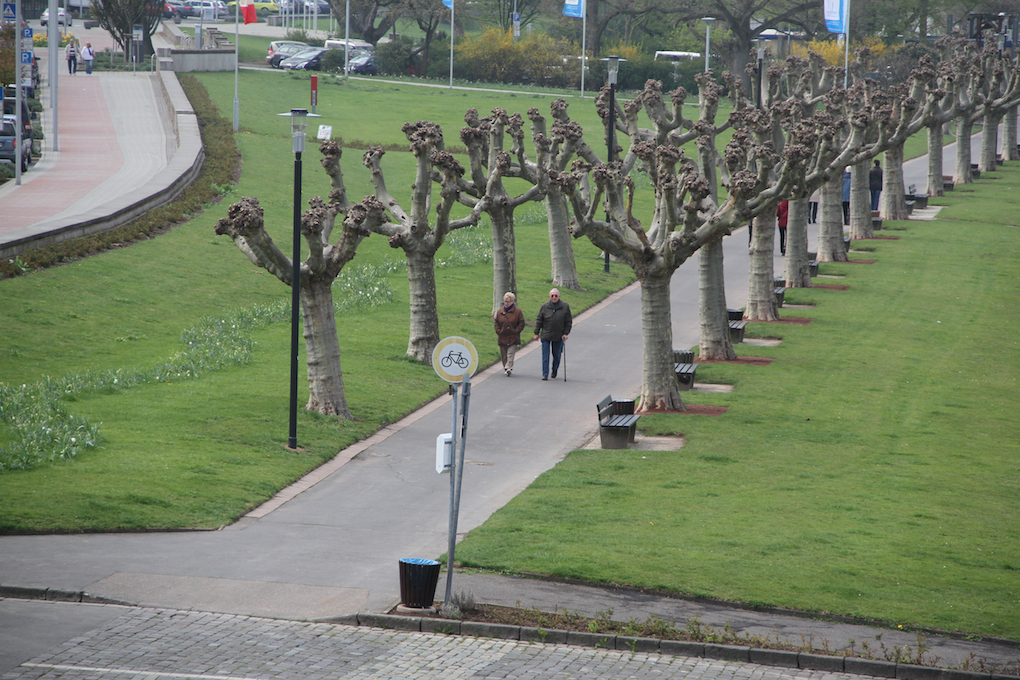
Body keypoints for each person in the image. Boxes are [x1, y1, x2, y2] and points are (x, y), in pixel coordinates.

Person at [533, 288, 571, 381]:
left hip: (558, 336)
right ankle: (545, 374)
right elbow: (539, 320)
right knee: (545, 356)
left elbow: (568, 322)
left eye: (556, 295)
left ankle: (554, 370)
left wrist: (565, 333)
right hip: (546, 335)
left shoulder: (565, 306)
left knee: (557, 355)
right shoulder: (544, 306)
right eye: (552, 295)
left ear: (559, 296)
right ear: (549, 296)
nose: (554, 297)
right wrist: (536, 333)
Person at [494, 292, 525, 377]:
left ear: (512, 302)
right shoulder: (500, 312)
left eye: (508, 302)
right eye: (505, 301)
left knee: (510, 354)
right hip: (503, 337)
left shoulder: (517, 312)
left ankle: (508, 367)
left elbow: (521, 323)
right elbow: (496, 322)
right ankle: (506, 368)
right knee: (504, 355)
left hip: (513, 337)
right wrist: (499, 331)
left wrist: (516, 331)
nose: (506, 303)